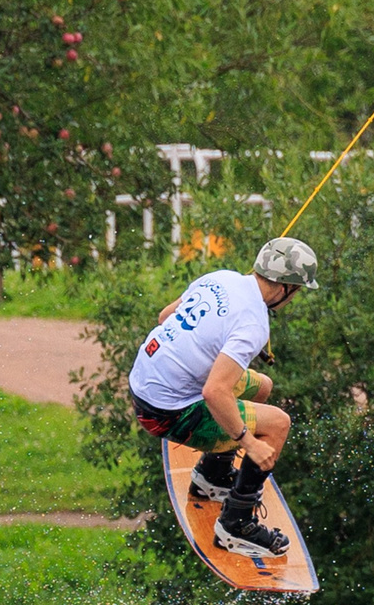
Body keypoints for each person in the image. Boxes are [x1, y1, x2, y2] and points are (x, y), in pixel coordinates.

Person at [126, 236, 318, 560]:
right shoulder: (253, 323)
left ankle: (211, 477)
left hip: (144, 379)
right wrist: (250, 443)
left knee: (262, 387)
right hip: (164, 412)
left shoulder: (220, 277)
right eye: (296, 291)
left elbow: (164, 318)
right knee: (278, 425)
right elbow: (214, 392)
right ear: (286, 287)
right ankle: (235, 526)